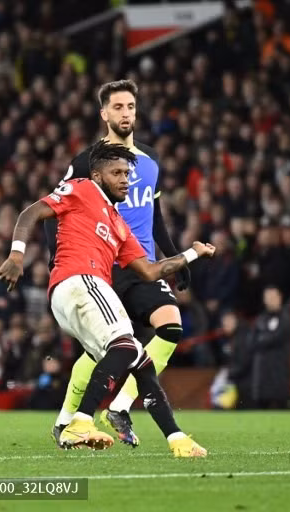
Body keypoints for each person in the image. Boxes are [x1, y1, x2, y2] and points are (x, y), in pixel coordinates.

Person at [0, 141, 214, 456]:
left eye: (127, 173)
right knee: (126, 345)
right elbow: (32, 212)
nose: (125, 179)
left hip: (78, 293)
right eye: (117, 173)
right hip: (79, 281)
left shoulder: (118, 225)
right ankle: (80, 422)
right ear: (98, 176)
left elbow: (150, 271)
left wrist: (192, 253)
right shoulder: (83, 189)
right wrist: (17, 255)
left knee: (139, 361)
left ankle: (177, 439)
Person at [44, 80, 191, 448]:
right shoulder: (87, 161)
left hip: (142, 264)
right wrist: (56, 256)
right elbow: (54, 209)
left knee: (171, 326)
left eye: (130, 107)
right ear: (104, 114)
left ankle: (120, 406)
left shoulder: (150, 159)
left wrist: (174, 255)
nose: (125, 114)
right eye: (118, 107)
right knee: (104, 349)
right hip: (103, 263)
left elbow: (155, 215)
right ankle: (67, 419)